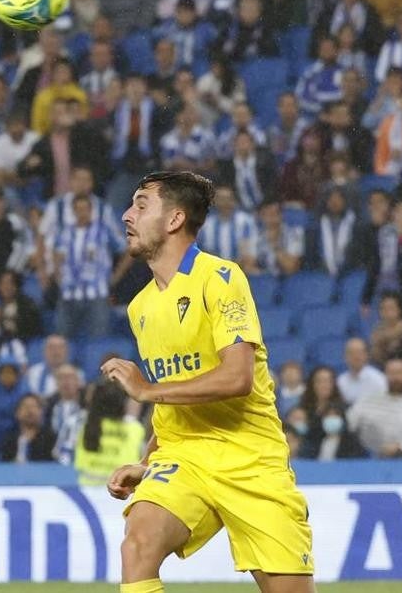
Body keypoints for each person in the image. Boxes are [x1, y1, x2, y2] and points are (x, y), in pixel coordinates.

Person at [102, 171, 314, 593]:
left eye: (141, 205)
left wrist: (145, 390)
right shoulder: (140, 307)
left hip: (250, 459)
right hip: (184, 457)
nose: (127, 215)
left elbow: (237, 378)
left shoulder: (221, 278)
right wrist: (147, 463)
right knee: (137, 544)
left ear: (175, 219)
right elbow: (174, 396)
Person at [347, 357, 402, 457]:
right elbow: (349, 424)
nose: (396, 378)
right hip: (372, 460)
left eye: (400, 373)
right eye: (391, 373)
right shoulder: (368, 401)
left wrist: (401, 448)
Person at [75, 381, 146, 486]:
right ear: (122, 403)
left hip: (88, 488)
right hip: (120, 490)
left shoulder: (85, 426)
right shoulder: (135, 429)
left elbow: (78, 463)